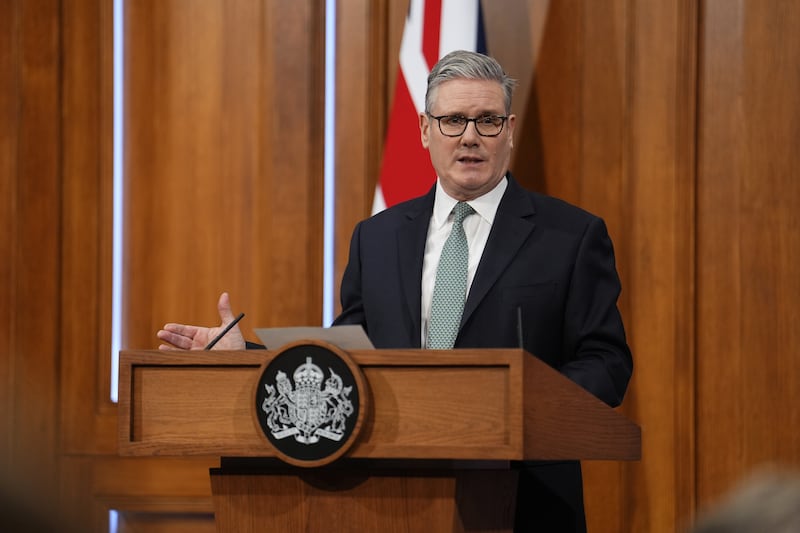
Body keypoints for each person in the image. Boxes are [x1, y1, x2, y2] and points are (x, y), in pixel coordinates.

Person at [158, 50, 633, 532]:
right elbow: (344, 363)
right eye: (452, 120)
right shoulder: (377, 237)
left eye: (487, 120)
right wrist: (249, 356)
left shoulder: (571, 236)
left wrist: (521, 406)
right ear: (425, 130)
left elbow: (606, 363)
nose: (470, 136)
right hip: (391, 500)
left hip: (526, 502)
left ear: (508, 129)